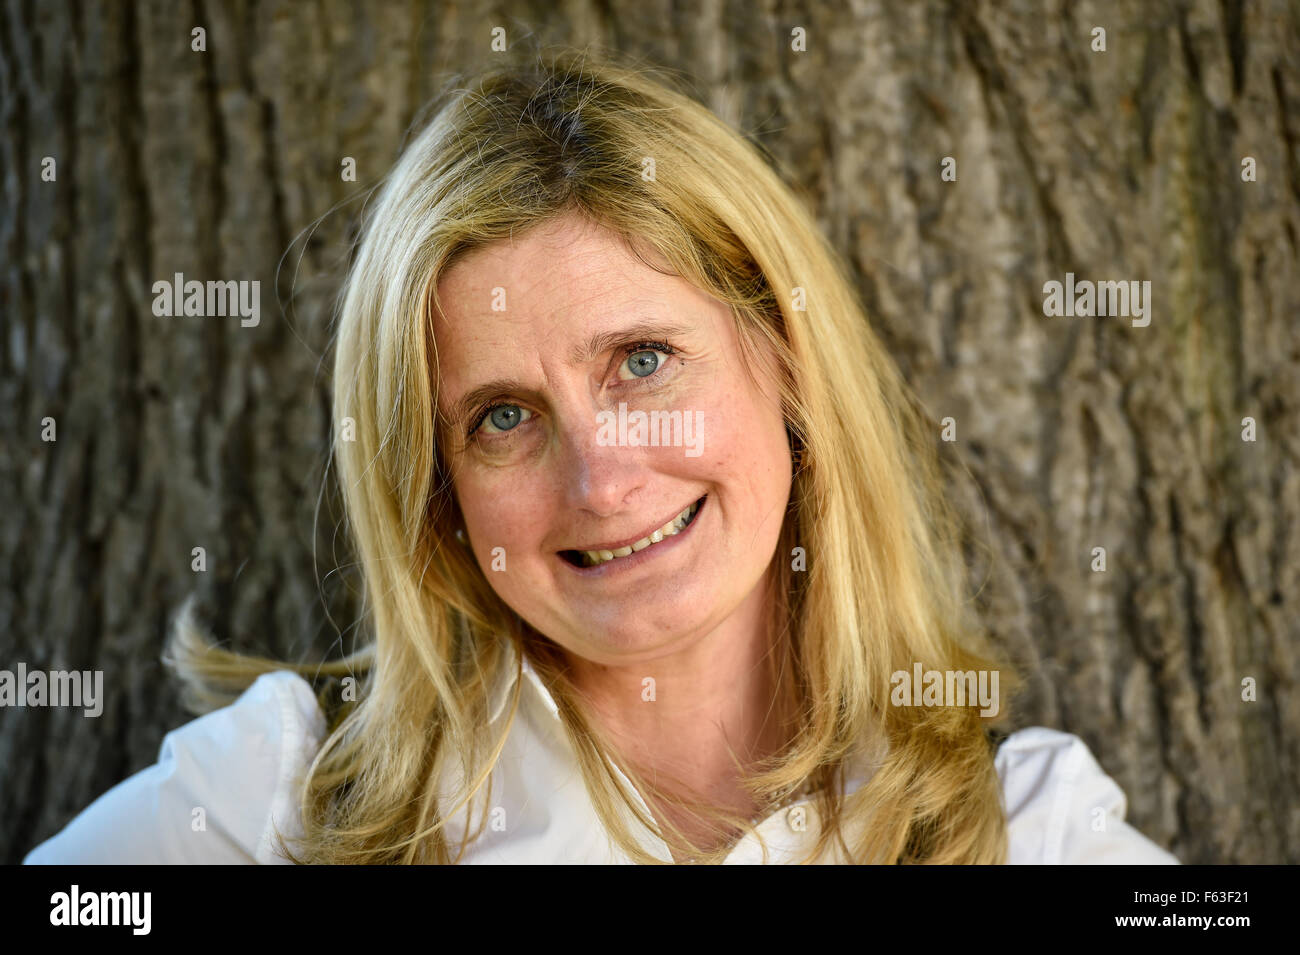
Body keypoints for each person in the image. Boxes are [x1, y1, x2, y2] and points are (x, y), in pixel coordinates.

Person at [26, 47, 1177, 865]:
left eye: (641, 360)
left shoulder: (1026, 834)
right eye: (503, 418)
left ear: (782, 361)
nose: (603, 479)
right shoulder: (271, 804)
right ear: (436, 491)